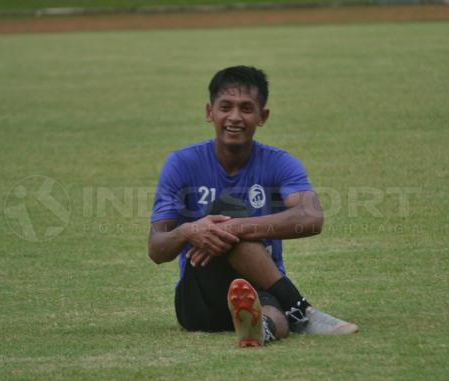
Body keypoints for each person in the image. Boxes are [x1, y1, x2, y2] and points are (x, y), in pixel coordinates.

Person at [148, 65, 357, 347]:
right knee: (229, 208)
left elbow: (311, 217)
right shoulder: (182, 163)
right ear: (210, 112)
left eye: (246, 108)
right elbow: (157, 248)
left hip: (261, 287)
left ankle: (261, 329)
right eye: (226, 107)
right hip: (198, 299)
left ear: (263, 116)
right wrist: (188, 231)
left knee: (271, 311)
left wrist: (236, 227)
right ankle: (301, 309)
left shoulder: (280, 163)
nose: (235, 117)